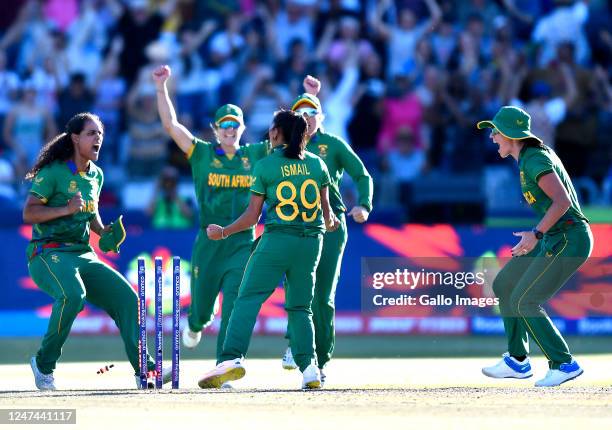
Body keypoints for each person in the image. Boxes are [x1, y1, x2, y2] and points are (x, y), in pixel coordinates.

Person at [23, 112, 171, 390]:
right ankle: (43, 365)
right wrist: (65, 209)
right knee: (72, 296)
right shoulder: (53, 172)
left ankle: (145, 370)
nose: (98, 138)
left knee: (128, 299)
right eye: (92, 133)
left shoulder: (97, 175)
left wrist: (104, 232)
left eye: (101, 134)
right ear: (75, 138)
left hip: (83, 254)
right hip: (47, 253)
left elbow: (91, 214)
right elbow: (29, 213)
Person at [198, 110, 339, 390]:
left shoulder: (264, 165)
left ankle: (231, 358)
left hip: (278, 241)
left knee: (247, 298)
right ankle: (310, 368)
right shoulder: (317, 164)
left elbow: (252, 218)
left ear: (276, 133)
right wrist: (331, 222)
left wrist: (223, 231)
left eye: (271, 129)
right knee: (301, 308)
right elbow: (329, 217)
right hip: (312, 244)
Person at [152, 65, 269, 366]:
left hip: (243, 241)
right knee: (201, 308)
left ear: (242, 128)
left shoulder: (256, 154)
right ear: (215, 130)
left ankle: (226, 363)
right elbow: (171, 125)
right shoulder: (202, 153)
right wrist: (160, 87)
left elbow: (294, 137)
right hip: (208, 242)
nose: (230, 130)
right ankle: (197, 322)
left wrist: (308, 98)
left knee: (234, 303)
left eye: (235, 125)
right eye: (224, 125)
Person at [478, 106, 592, 387]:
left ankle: (564, 364)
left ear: (510, 134)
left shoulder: (534, 158)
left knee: (524, 300)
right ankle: (517, 361)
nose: (492, 137)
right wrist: (538, 235)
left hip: (569, 238)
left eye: (495, 132)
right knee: (505, 284)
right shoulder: (528, 157)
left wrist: (535, 235)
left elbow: (562, 202)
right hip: (554, 236)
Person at [281, 77, 373, 386]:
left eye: (312, 112)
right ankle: (296, 345)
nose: (306, 118)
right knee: (296, 290)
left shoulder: (331, 144)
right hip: (293, 228)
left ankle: (319, 361)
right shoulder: (282, 147)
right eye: (300, 113)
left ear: (321, 117)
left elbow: (362, 174)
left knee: (322, 297)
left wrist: (364, 205)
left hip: (330, 228)